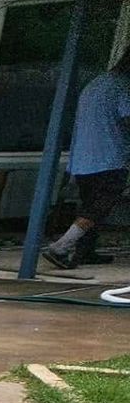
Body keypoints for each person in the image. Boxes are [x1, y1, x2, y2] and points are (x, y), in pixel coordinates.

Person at [44, 49, 130, 269]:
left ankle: (85, 251)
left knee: (90, 205)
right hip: (108, 158)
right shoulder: (123, 87)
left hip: (83, 159)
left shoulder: (97, 84)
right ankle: (60, 247)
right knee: (97, 208)